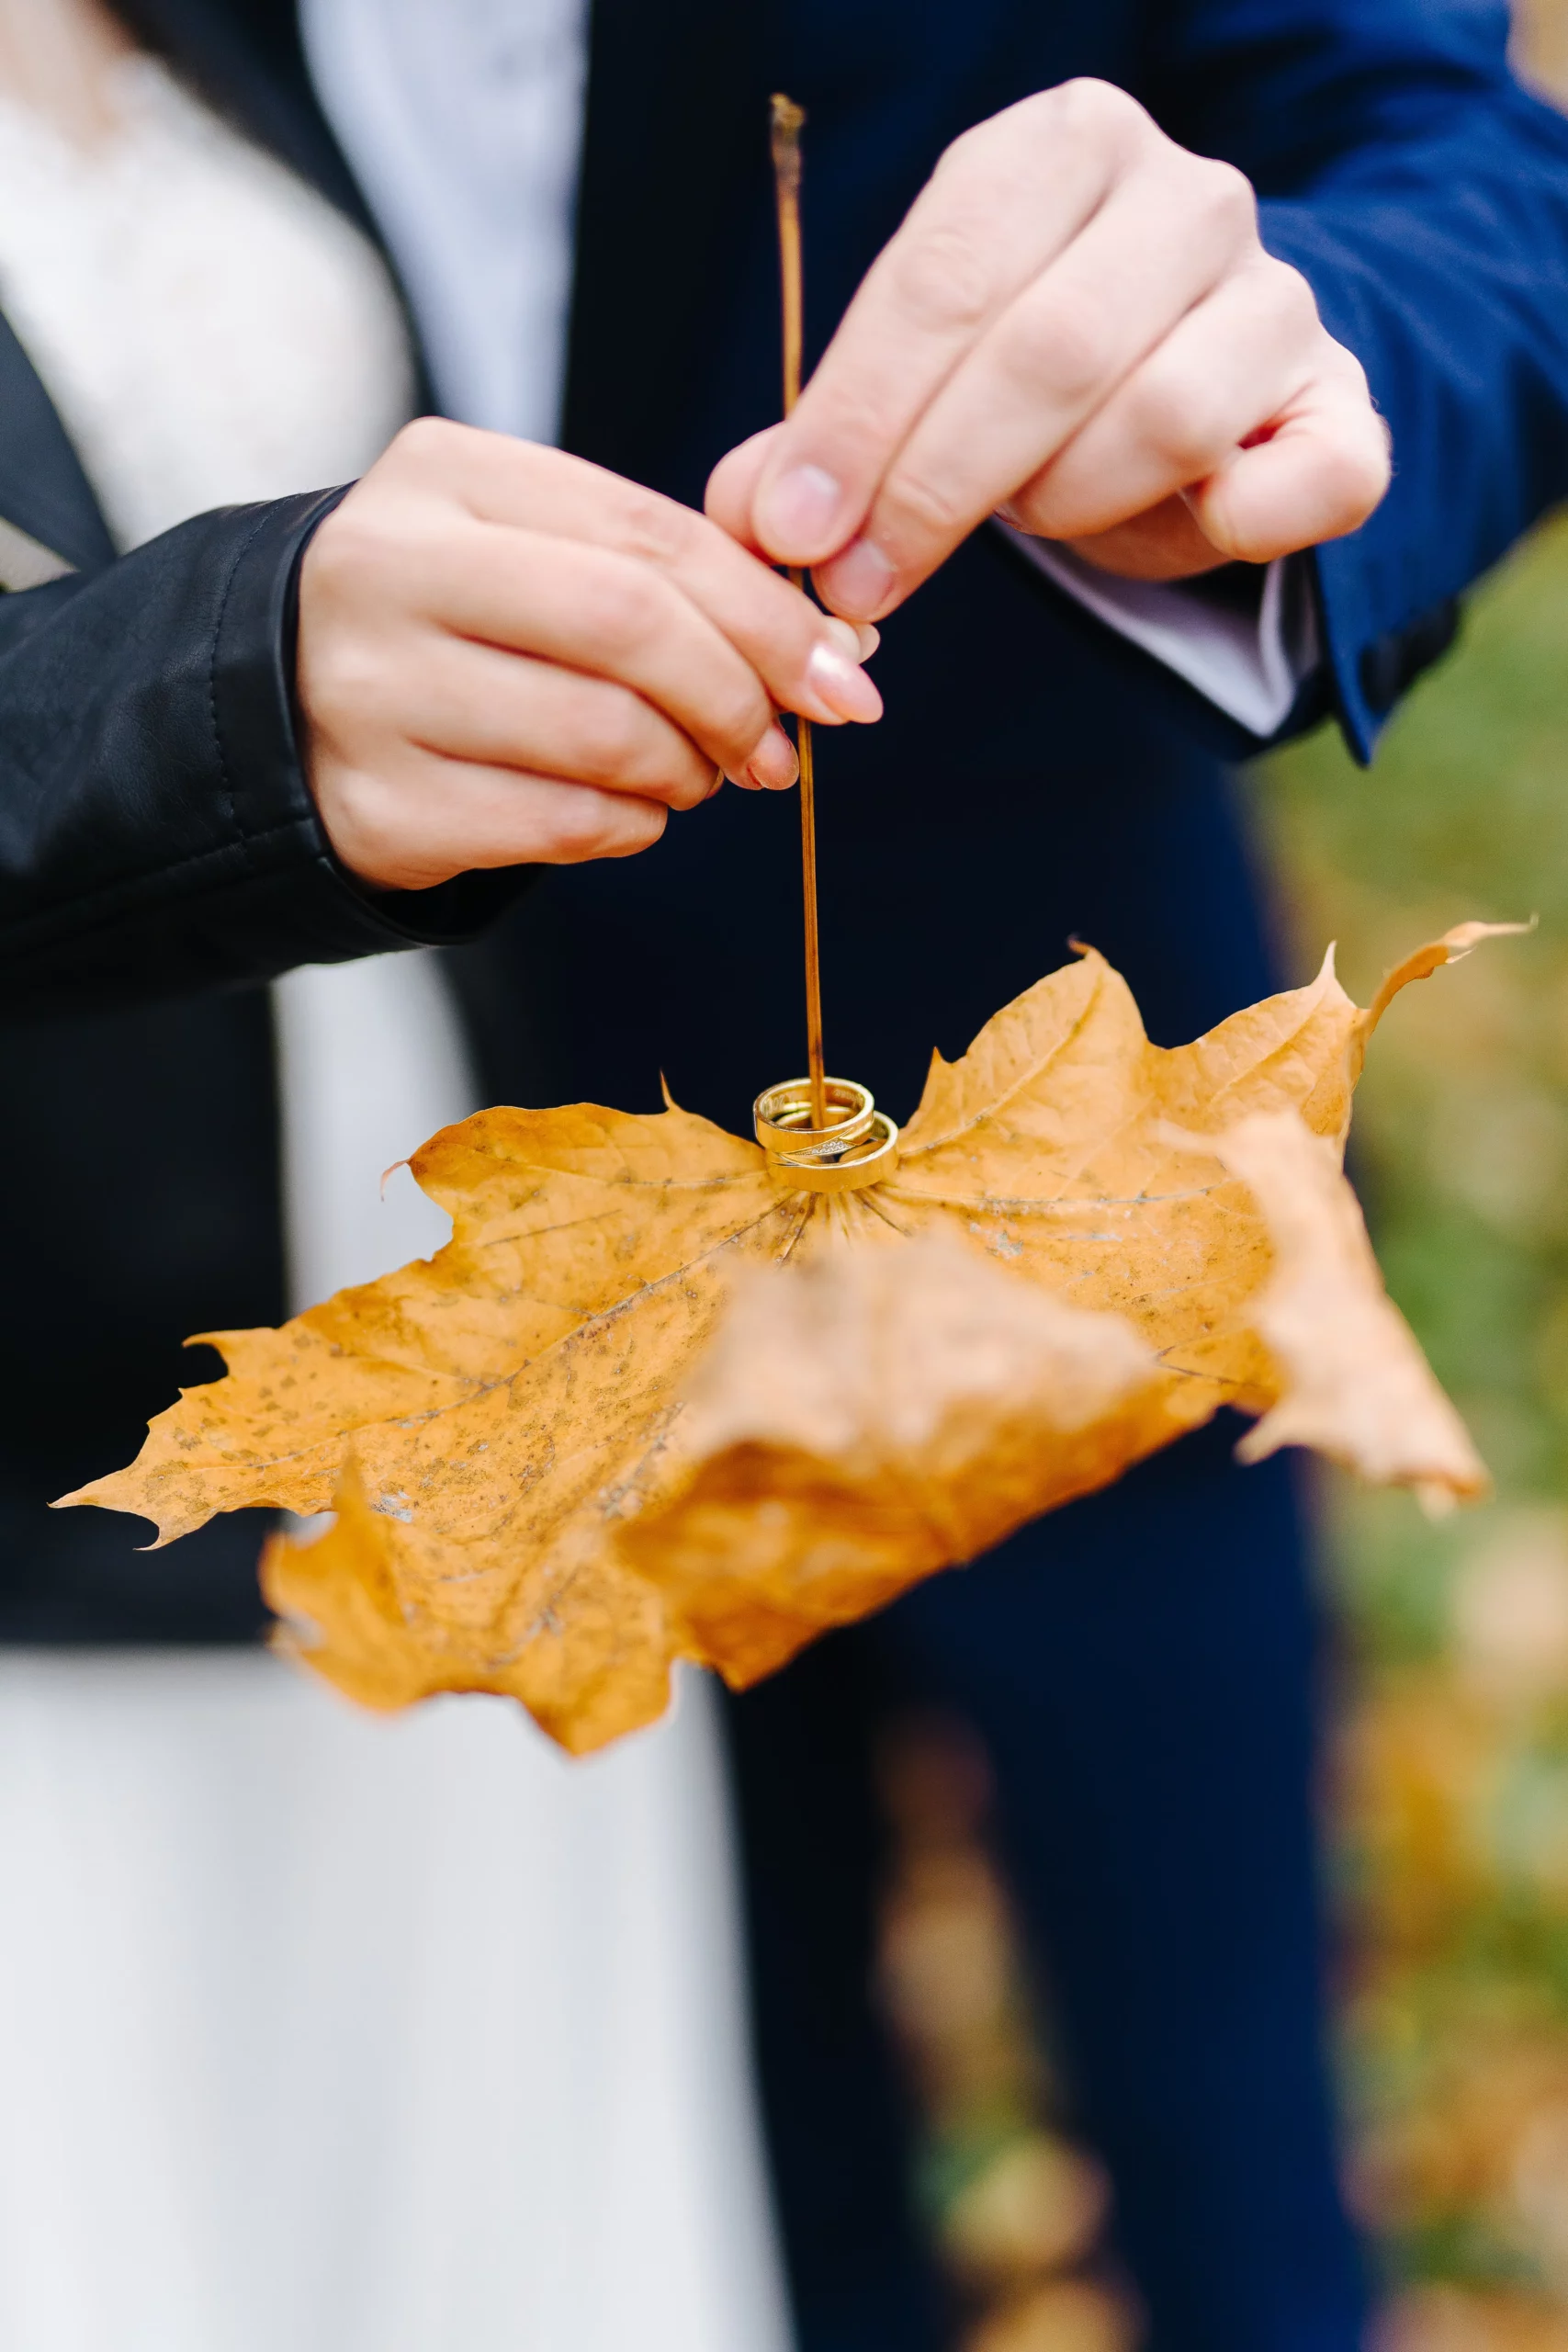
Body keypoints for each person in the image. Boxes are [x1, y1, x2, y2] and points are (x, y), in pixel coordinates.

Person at [3, 1, 1566, 2347]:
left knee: (1228, 2140)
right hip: (441, 1263)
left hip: (1034, 1113)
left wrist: (1282, 361)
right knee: (708, 2167)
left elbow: (1465, 172)